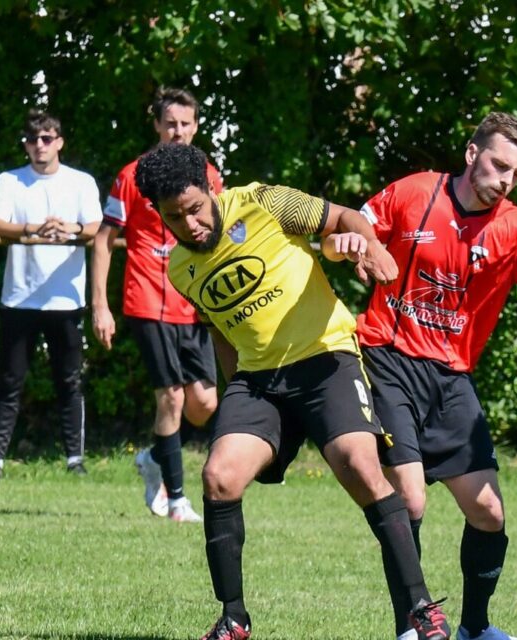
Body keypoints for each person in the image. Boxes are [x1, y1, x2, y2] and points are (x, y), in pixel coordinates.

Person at [133, 142, 452, 640]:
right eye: (175, 217)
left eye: (195, 208)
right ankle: (233, 618)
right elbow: (221, 331)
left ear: (211, 189)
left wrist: (371, 246)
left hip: (325, 359)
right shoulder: (180, 269)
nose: (190, 224)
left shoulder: (262, 202)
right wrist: (233, 395)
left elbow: (344, 217)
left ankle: (420, 608)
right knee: (219, 477)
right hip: (259, 381)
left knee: (359, 465)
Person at [349, 112, 517, 640]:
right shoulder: (415, 192)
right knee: (410, 499)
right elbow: (354, 225)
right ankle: (412, 626)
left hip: (451, 379)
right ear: (472, 154)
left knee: (489, 512)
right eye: (499, 165)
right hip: (388, 359)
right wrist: (359, 246)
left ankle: (475, 627)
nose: (506, 180)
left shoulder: (513, 227)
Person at [91, 87, 221, 522]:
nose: (177, 132)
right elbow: (104, 240)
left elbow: (220, 233)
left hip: (195, 303)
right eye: (170, 124)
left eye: (185, 124)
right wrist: (100, 305)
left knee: (204, 404)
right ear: (156, 126)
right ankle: (177, 499)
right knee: (171, 398)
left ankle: (153, 456)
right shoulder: (131, 176)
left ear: (196, 127)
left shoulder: (209, 175)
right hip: (148, 298)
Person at [0, 110, 102, 478]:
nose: (39, 146)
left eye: (47, 139)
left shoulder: (80, 182)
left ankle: (75, 460)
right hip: (19, 297)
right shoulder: (9, 181)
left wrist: (69, 227)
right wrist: (33, 228)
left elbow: (95, 226)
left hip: (65, 299)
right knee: (10, 381)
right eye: (33, 140)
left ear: (60, 142)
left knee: (69, 381)